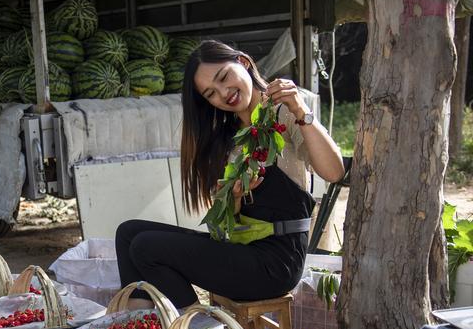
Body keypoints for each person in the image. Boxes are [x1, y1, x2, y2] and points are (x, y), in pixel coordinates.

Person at [115, 40, 344, 310]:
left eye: (224, 77)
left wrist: (302, 112)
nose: (223, 94)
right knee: (128, 233)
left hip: (276, 263)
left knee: (146, 246)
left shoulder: (283, 111)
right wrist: (233, 201)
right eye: (211, 93)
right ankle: (135, 326)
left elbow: (334, 172)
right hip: (242, 249)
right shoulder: (227, 138)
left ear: (244, 63)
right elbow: (222, 230)